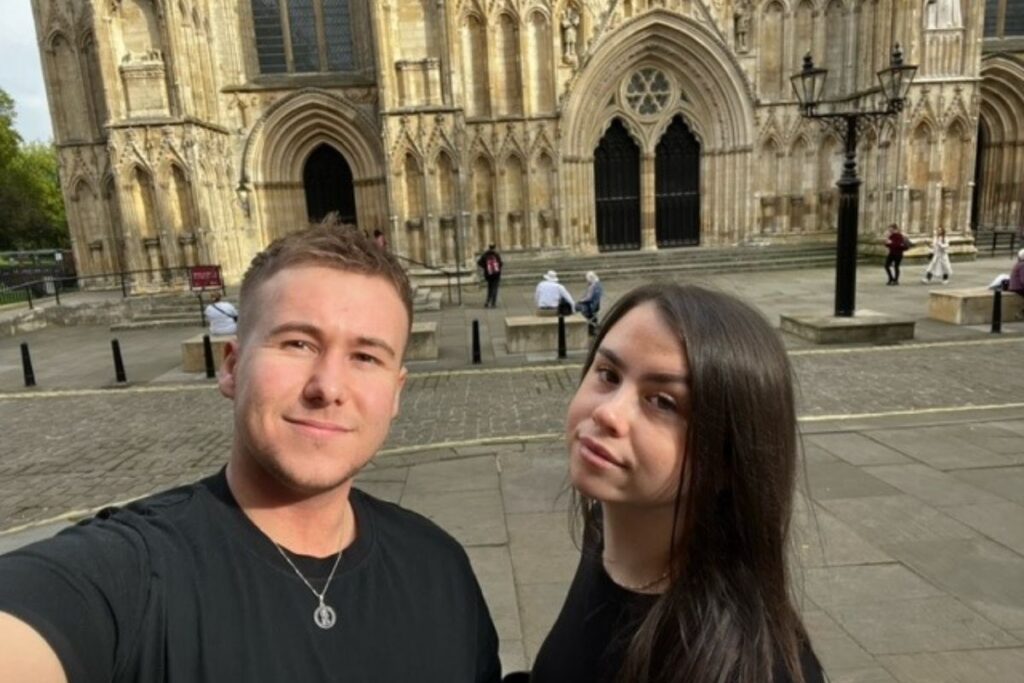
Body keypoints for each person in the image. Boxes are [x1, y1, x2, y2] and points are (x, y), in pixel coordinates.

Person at [0, 225, 501, 683]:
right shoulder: (131, 574)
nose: (328, 386)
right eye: (298, 343)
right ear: (231, 367)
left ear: (396, 393)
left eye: (366, 357)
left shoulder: (440, 568)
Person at [528, 284, 825, 683]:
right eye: (608, 374)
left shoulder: (743, 667)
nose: (608, 413)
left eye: (663, 402)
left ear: (726, 459)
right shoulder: (608, 536)